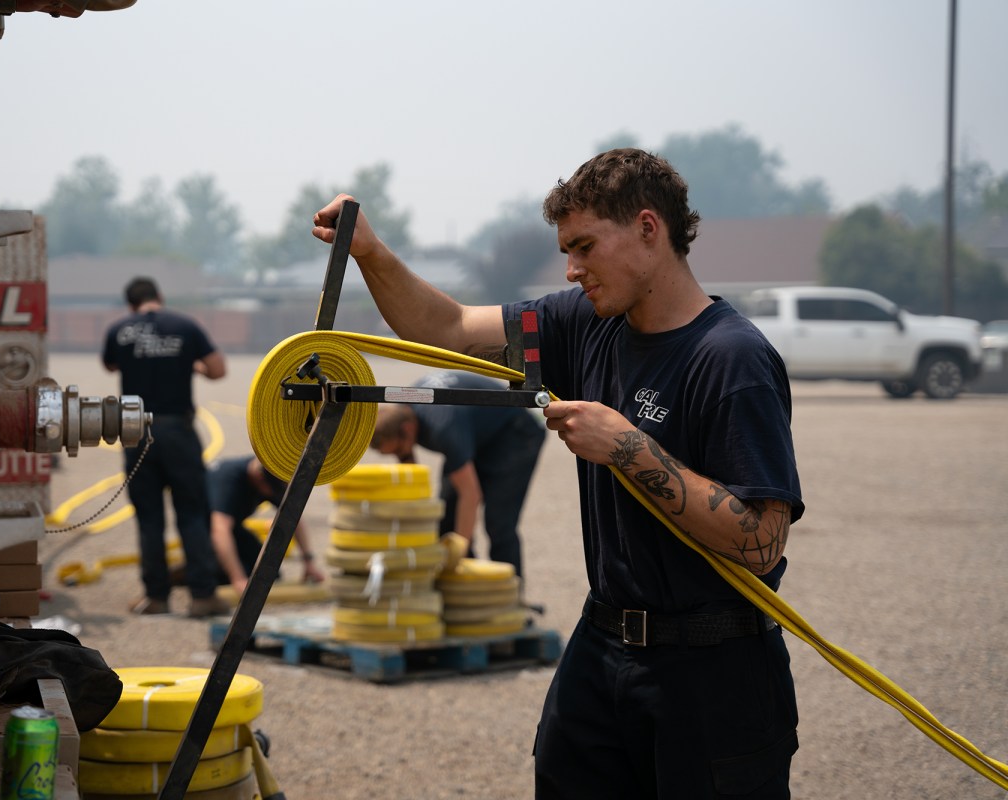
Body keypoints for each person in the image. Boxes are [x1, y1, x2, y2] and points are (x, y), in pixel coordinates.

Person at [312, 149, 803, 799]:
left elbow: (762, 541)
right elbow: (448, 328)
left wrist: (628, 448)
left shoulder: (732, 359)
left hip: (714, 670)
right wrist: (371, 253)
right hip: (603, 646)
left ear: (648, 229)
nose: (572, 270)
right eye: (566, 251)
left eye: (585, 247)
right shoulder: (584, 324)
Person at [102, 276, 231, 618]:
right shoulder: (185, 326)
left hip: (136, 431)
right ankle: (202, 596)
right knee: (192, 512)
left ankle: (156, 598)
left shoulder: (119, 330)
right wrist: (191, 363)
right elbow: (218, 370)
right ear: (159, 296)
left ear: (131, 304)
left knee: (149, 517)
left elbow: (111, 364)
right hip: (177, 431)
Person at [369, 370, 544, 579]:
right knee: (446, 519)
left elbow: (470, 495)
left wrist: (458, 555)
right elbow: (409, 466)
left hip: (514, 434)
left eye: (398, 450)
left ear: (407, 429)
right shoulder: (403, 406)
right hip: (475, 432)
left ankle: (508, 591)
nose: (400, 456)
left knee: (499, 523)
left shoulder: (442, 427)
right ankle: (467, 588)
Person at [207, 455, 326, 594]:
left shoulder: (270, 472)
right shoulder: (228, 481)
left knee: (267, 575)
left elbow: (293, 518)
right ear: (259, 478)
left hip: (233, 529)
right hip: (202, 532)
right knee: (225, 575)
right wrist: (237, 578)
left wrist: (308, 562)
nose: (274, 494)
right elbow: (219, 530)